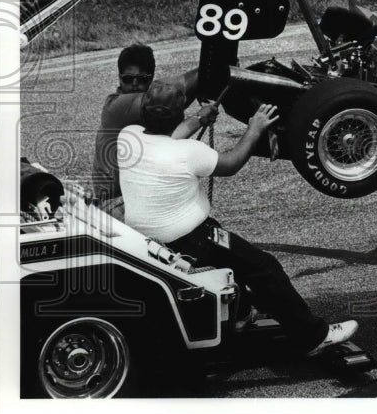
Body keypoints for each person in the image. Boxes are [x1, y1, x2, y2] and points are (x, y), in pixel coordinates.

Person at [117, 80, 357, 355]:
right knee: (264, 267)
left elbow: (166, 138)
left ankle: (240, 314)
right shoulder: (187, 153)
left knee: (231, 257)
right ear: (178, 114)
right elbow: (230, 163)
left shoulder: (129, 136)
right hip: (190, 240)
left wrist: (198, 119)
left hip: (150, 241)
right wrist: (254, 129)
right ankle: (313, 337)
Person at [92, 43, 205, 220]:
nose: (135, 85)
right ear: (119, 78)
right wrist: (211, 70)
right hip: (113, 204)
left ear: (151, 78)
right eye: (128, 79)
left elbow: (173, 104)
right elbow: (174, 93)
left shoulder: (152, 109)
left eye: (142, 79)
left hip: (130, 198)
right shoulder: (117, 106)